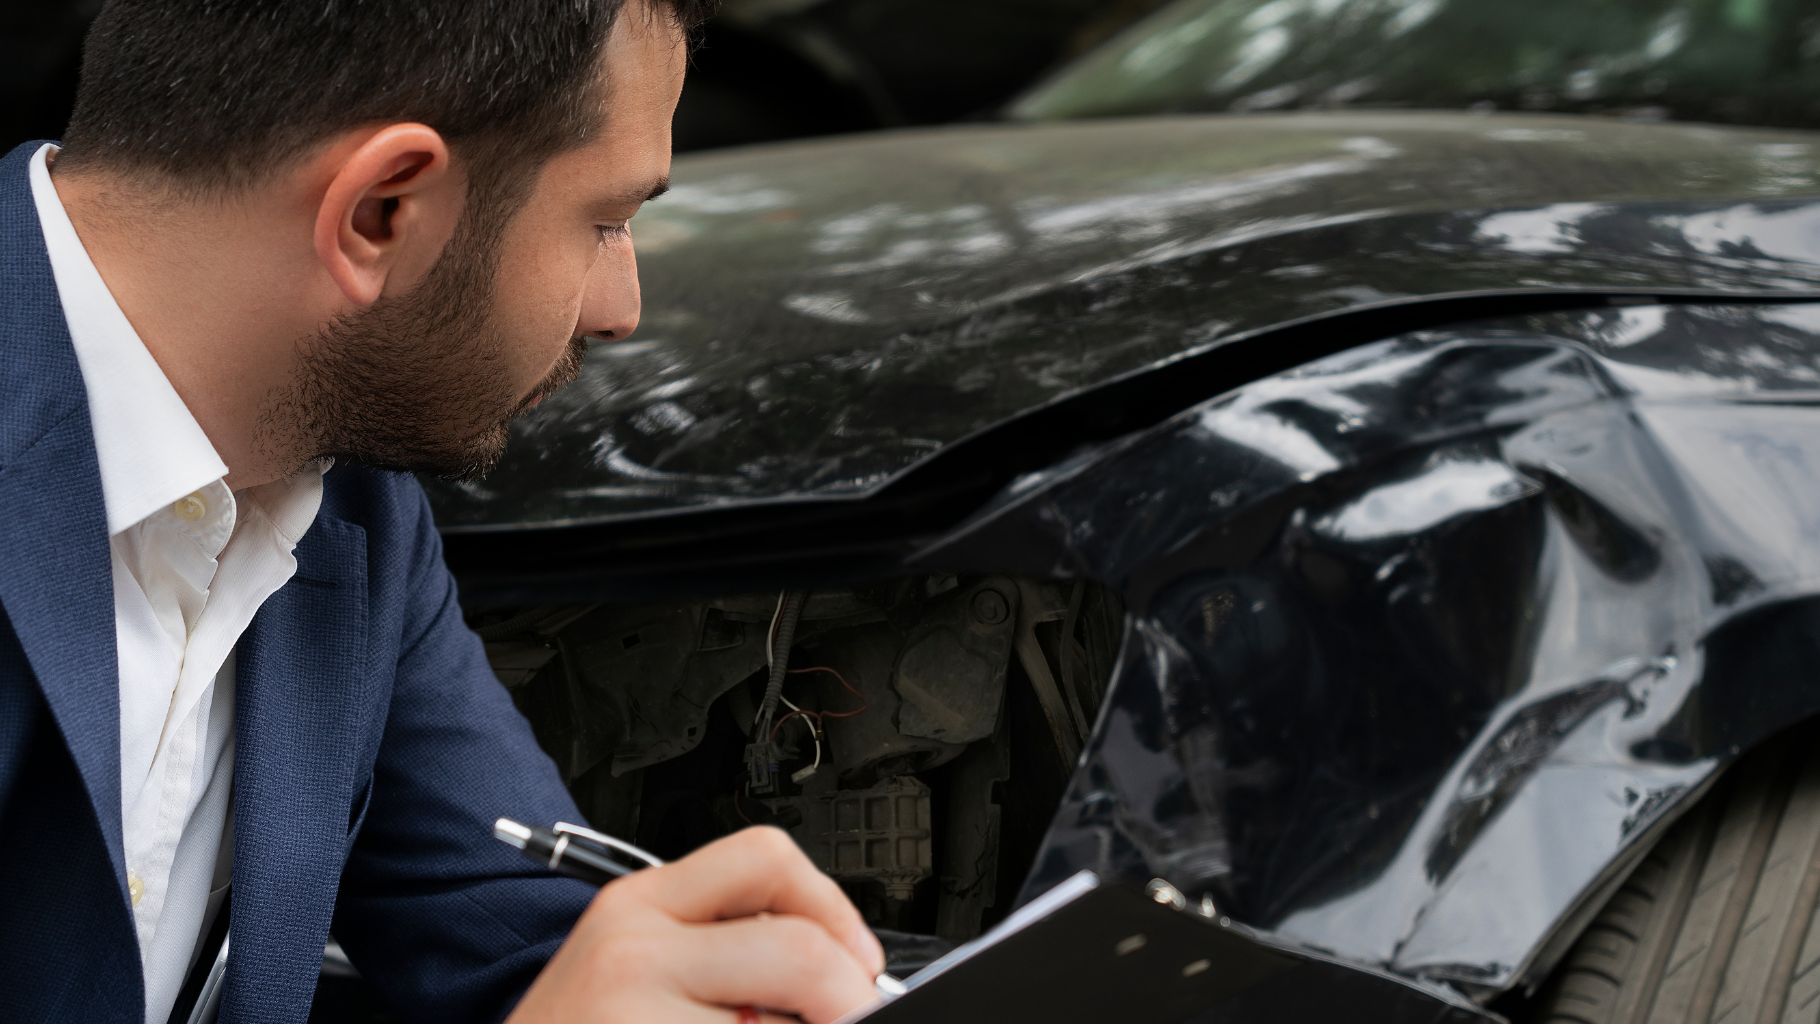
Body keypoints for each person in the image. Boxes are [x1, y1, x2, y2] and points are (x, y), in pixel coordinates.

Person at [0, 1, 886, 1022]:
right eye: (603, 221)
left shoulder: (349, 501)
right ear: (383, 210)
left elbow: (519, 934)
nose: (622, 307)